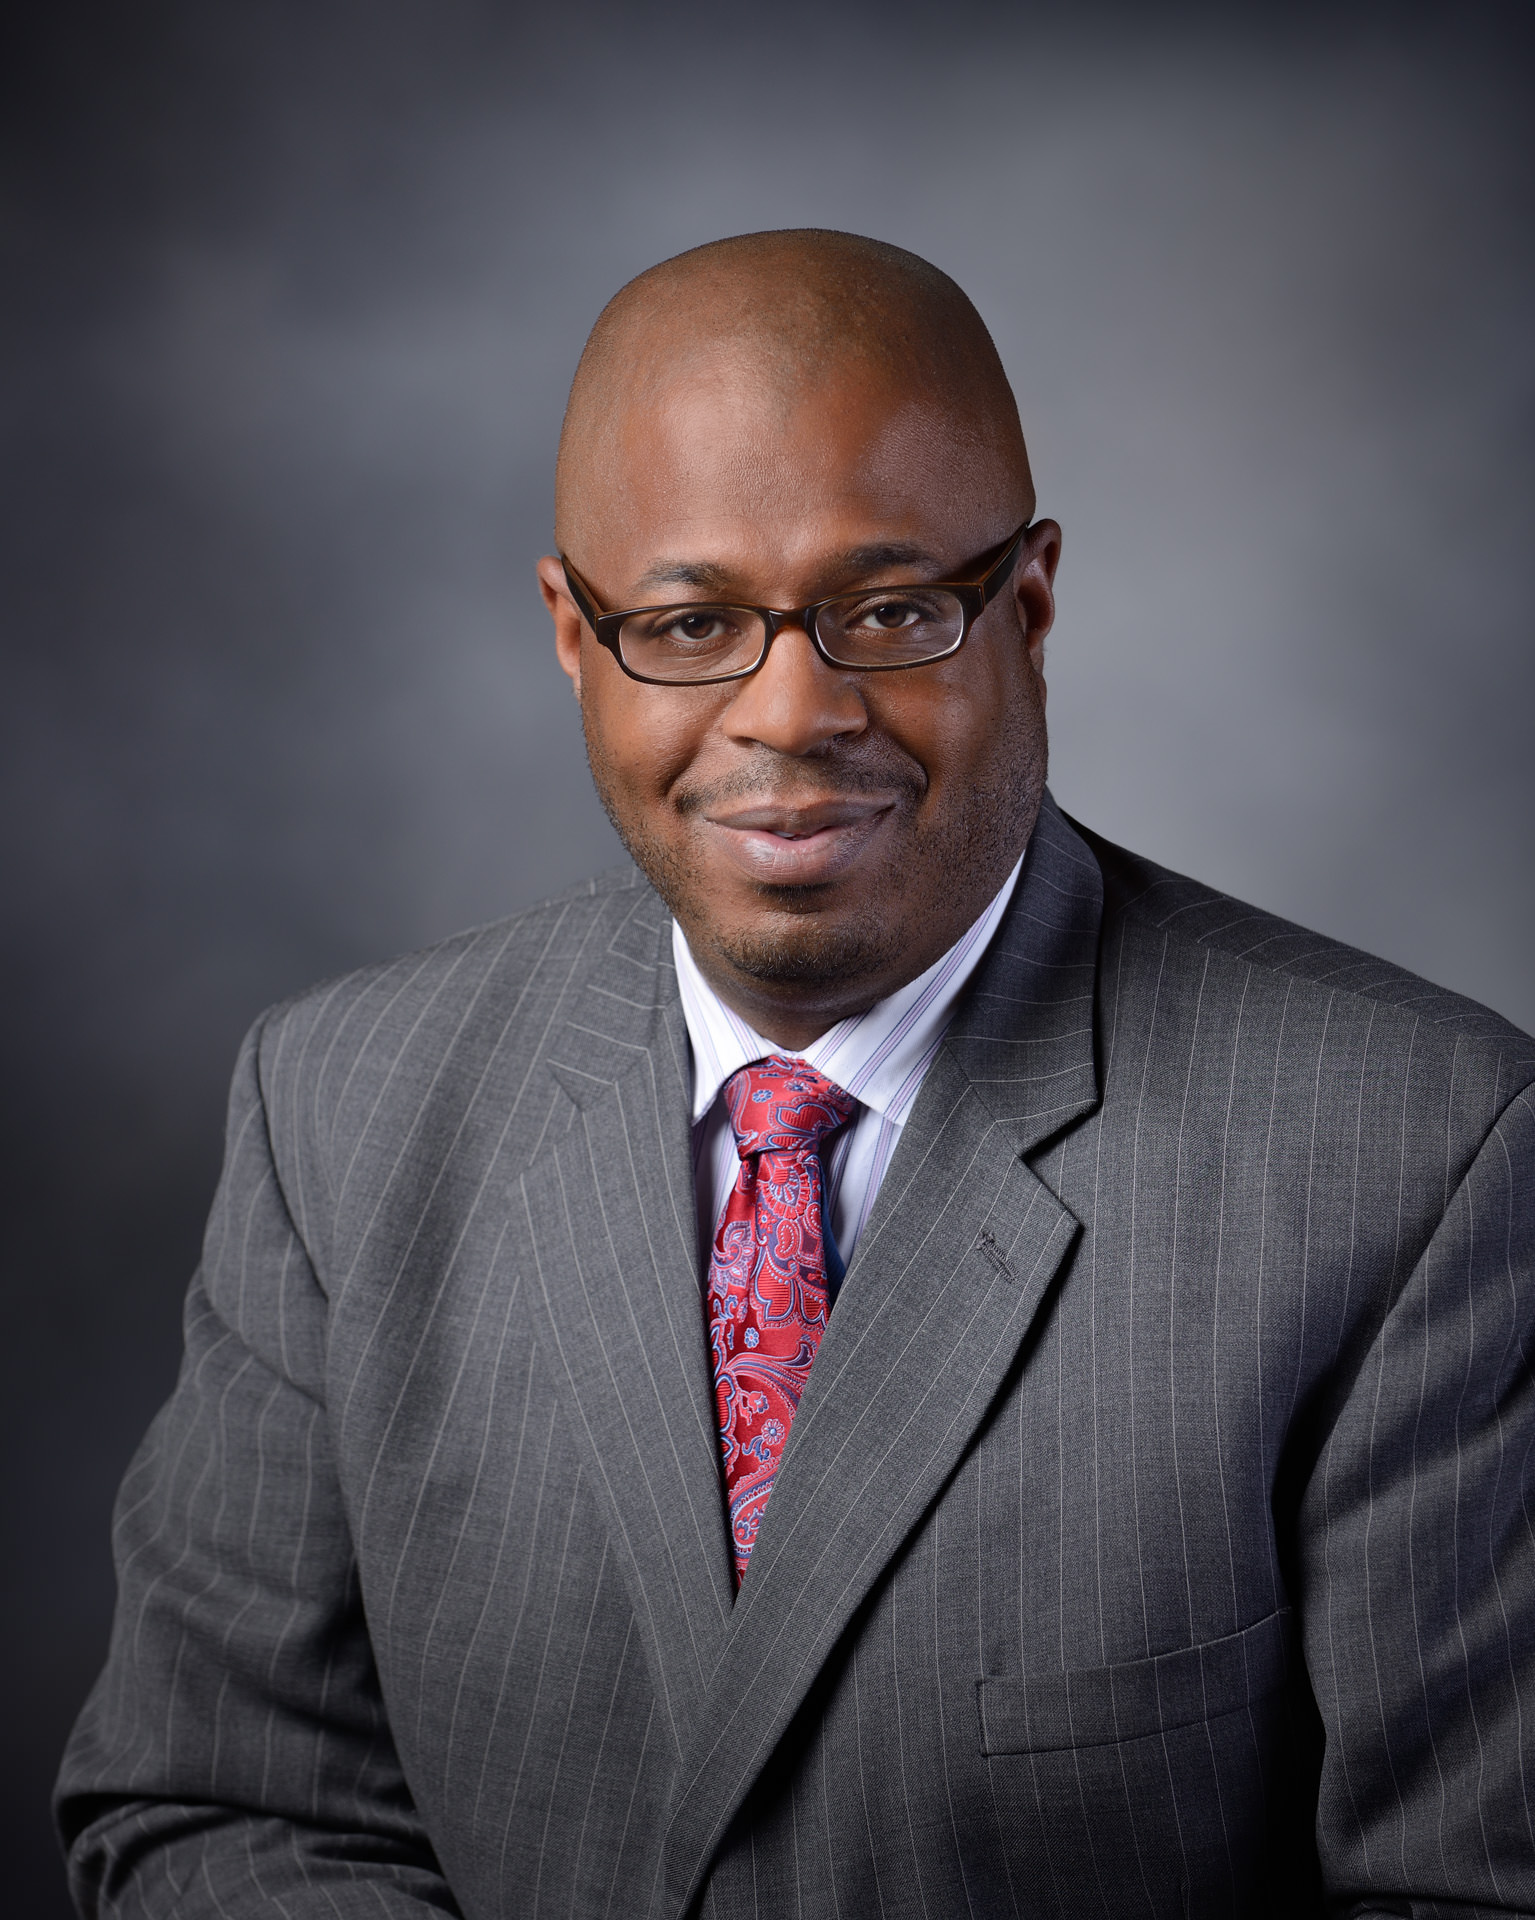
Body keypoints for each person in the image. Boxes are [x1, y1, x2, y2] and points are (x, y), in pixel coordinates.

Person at [57, 229, 1535, 1919]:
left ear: (1028, 606)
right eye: (690, 623)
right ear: (573, 635)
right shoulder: (339, 1111)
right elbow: (221, 1804)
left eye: (889, 610)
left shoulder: (1419, 1160)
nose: (789, 713)